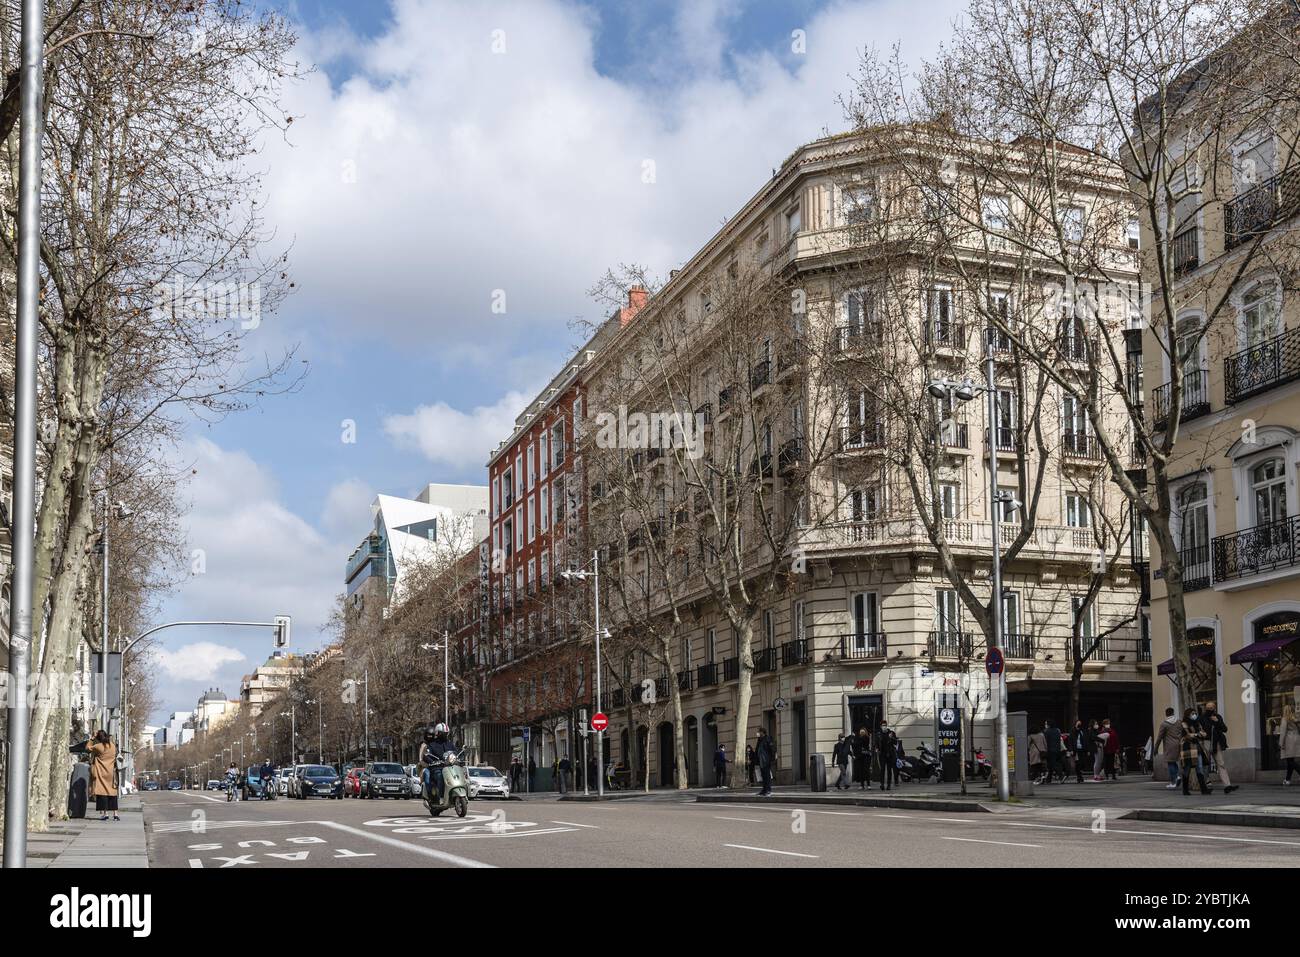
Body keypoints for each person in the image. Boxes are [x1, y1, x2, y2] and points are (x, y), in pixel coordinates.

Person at [71, 730, 120, 821]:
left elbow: (87, 748)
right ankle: (115, 814)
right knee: (112, 793)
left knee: (102, 792)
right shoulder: (112, 746)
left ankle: (105, 814)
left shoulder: (98, 746)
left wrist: (92, 738)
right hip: (111, 773)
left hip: (101, 772)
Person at [1201, 702, 1237, 795]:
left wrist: (1217, 721)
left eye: (1211, 708)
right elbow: (1200, 729)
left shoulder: (1218, 717)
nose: (1209, 709)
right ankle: (1206, 785)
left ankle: (1227, 786)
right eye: (1207, 708)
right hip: (1206, 742)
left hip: (1216, 743)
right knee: (1205, 765)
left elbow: (1225, 729)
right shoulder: (1202, 717)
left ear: (1214, 708)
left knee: (1221, 764)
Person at [418, 723, 456, 804]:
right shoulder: (431, 745)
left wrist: (460, 756)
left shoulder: (450, 744)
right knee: (439, 776)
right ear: (438, 733)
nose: (445, 735)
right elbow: (426, 756)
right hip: (437, 768)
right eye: (443, 733)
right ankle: (441, 797)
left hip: (450, 767)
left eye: (446, 733)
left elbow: (456, 752)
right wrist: (432, 761)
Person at [1178, 708, 1211, 796]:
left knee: (1199, 768)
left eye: (1195, 713)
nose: (1194, 715)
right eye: (1192, 713)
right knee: (1187, 769)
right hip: (1188, 748)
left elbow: (1204, 733)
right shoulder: (1184, 723)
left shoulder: (1197, 723)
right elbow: (1188, 735)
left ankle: (1204, 789)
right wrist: (1198, 734)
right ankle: (1185, 790)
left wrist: (1198, 734)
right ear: (1188, 714)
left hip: (1197, 748)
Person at [1154, 707, 1184, 789]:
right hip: (1178, 745)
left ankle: (1173, 781)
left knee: (1170, 763)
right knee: (1174, 762)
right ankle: (1178, 776)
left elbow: (1159, 737)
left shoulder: (1164, 724)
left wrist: (1155, 749)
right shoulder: (1179, 722)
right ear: (1173, 713)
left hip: (1169, 746)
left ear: (1166, 713)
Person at [1278, 704, 1300, 786]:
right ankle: (1287, 780)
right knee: (1290, 761)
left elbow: (1283, 732)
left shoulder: (1285, 719)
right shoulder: (1295, 719)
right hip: (1296, 739)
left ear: (1285, 710)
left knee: (1290, 762)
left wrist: (1281, 743)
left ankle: (1288, 779)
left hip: (1289, 741)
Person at [875, 721, 899, 791]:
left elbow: (895, 742)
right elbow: (876, 743)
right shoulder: (879, 734)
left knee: (889, 770)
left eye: (885, 725)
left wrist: (891, 738)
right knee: (882, 769)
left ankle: (888, 785)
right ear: (880, 726)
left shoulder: (891, 733)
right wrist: (876, 748)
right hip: (882, 754)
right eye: (883, 725)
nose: (884, 726)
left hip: (890, 754)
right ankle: (882, 784)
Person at [754, 728, 775, 796]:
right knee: (763, 776)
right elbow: (757, 750)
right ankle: (764, 790)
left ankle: (768, 790)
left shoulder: (768, 738)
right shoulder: (760, 740)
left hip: (766, 760)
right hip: (761, 760)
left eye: (759, 732)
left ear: (762, 732)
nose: (758, 733)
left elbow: (771, 749)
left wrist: (771, 758)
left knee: (767, 776)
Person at [1043, 719, 1063, 784]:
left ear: (1048, 724)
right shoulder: (1057, 731)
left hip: (1050, 750)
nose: (1045, 725)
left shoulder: (1046, 731)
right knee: (1051, 765)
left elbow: (1045, 742)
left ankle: (1061, 776)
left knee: (1053, 764)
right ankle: (1049, 779)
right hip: (1057, 749)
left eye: (1046, 724)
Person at [1070, 719, 1089, 783]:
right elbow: (1071, 741)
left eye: (1080, 723)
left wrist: (1087, 749)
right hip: (1076, 749)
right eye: (1078, 723)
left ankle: (1080, 774)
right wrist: (1071, 749)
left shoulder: (1082, 731)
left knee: (1082, 762)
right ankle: (1079, 776)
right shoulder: (1073, 731)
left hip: (1082, 749)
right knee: (1078, 763)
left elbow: (1085, 739)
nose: (1079, 724)